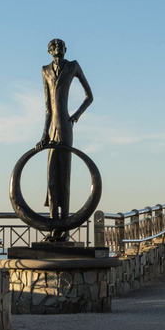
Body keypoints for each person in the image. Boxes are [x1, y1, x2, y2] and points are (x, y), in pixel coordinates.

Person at [40, 38, 94, 225]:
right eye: (53, 46)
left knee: (64, 178)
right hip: (52, 127)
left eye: (60, 45)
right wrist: (44, 133)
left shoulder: (73, 66)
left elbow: (89, 96)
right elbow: (48, 107)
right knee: (51, 179)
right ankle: (53, 223)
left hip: (65, 126)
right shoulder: (45, 70)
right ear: (49, 51)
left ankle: (63, 226)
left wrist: (75, 116)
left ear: (66, 49)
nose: (57, 47)